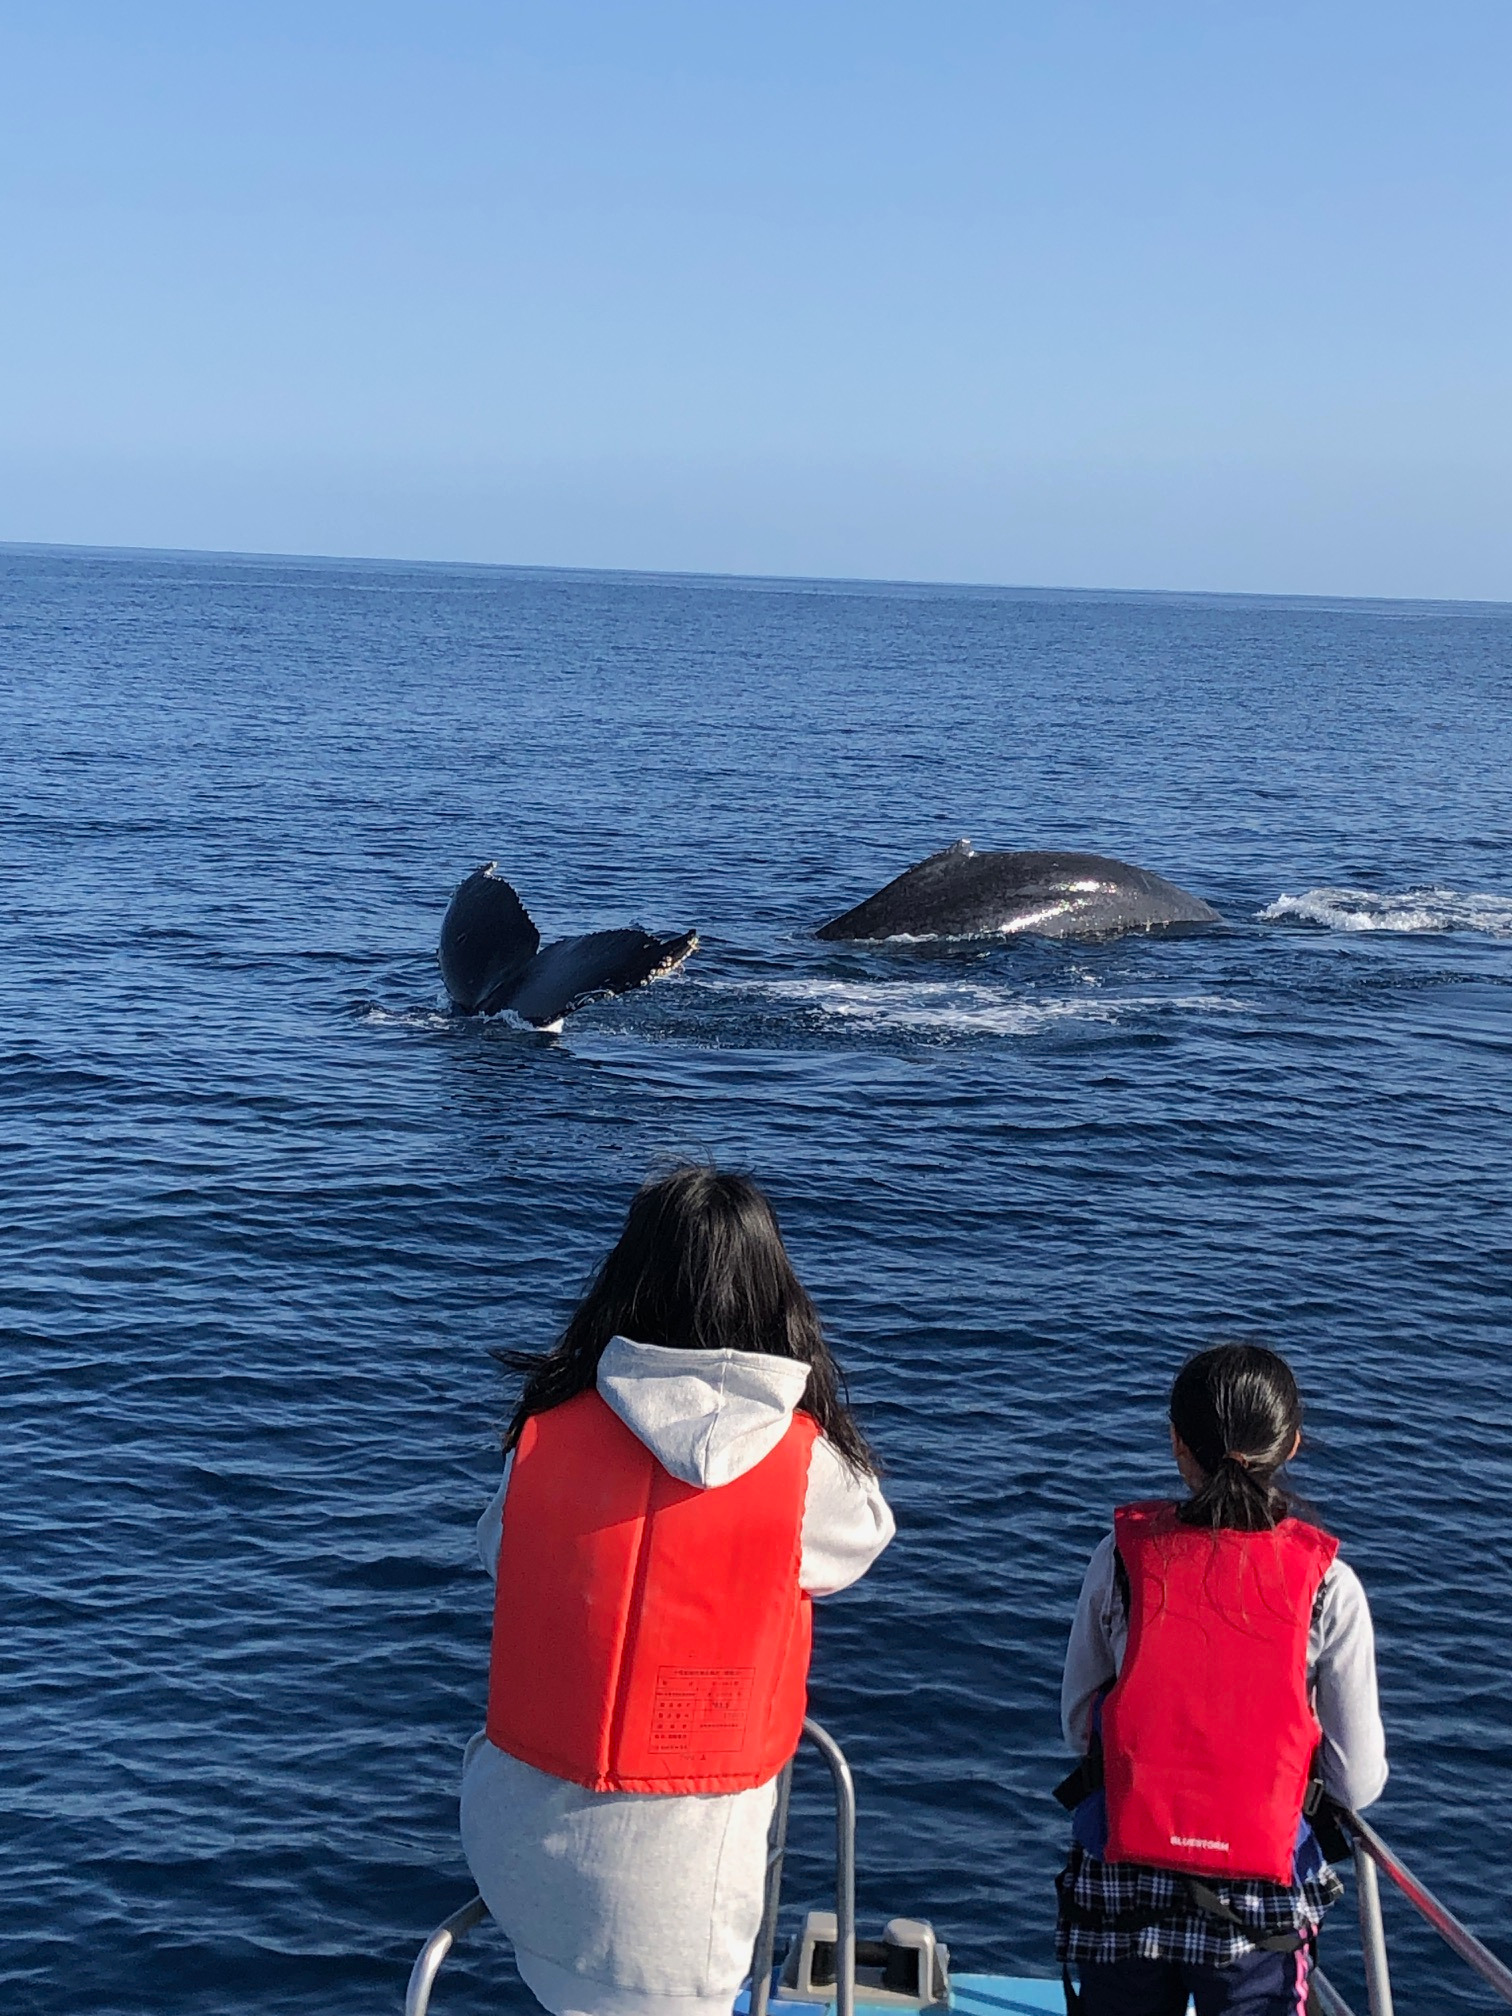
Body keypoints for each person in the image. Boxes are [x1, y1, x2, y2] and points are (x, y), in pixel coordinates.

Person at [461, 1166, 895, 2016]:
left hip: (517, 1865)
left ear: (624, 1279)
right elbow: (858, 1544)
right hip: (680, 1920)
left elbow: (498, 1553)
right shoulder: (810, 1465)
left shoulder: (545, 1437)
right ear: (775, 1292)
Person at [1055, 1343, 1387, 2016]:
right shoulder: (1330, 1588)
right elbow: (1357, 1780)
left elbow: (1077, 1725)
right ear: (1291, 1445)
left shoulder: (1119, 1559)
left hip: (1123, 1881)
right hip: (1257, 1903)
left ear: (1178, 1445)